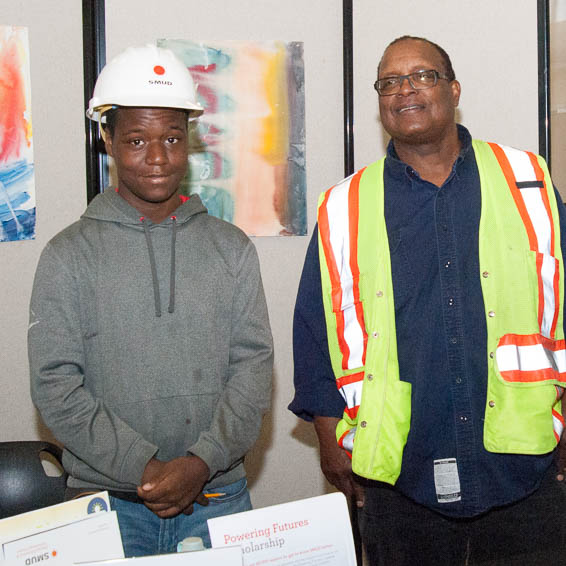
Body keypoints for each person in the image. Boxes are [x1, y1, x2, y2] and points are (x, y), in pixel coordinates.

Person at [289, 35, 566, 565]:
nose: (404, 90)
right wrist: (329, 438)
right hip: (399, 474)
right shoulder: (343, 205)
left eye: (422, 76)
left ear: (454, 89)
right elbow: (312, 329)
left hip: (523, 469)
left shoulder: (528, 180)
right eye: (389, 82)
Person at [28, 45, 273, 557]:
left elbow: (252, 369)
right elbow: (55, 384)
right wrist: (147, 468)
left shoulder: (231, 247)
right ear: (107, 140)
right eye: (137, 140)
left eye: (172, 138)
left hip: (218, 496)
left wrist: (200, 462)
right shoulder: (67, 254)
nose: (157, 158)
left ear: (190, 141)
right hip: (105, 503)